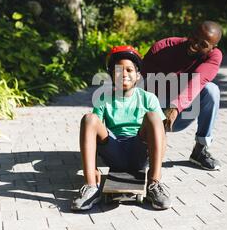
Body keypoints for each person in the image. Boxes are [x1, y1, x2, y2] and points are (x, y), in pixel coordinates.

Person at [71, 45, 172, 211]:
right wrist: (94, 169)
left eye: (129, 70)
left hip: (139, 151)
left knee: (153, 116)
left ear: (138, 75)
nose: (124, 74)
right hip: (114, 150)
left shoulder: (148, 98)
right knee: (89, 119)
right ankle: (90, 186)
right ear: (112, 75)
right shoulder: (104, 98)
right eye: (118, 70)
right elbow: (95, 131)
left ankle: (154, 184)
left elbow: (161, 136)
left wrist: (157, 163)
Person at [141, 21, 223, 171]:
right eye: (194, 37)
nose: (195, 45)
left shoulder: (214, 56)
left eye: (203, 44)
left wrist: (175, 106)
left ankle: (200, 150)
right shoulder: (164, 47)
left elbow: (197, 82)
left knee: (211, 91)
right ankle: (143, 145)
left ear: (212, 48)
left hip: (180, 114)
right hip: (152, 112)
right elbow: (142, 82)